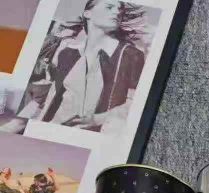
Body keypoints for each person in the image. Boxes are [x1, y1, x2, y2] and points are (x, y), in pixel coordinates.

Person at [20, 0, 146, 133]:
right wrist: (22, 122)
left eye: (120, 9)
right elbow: (51, 96)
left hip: (91, 134)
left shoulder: (130, 55)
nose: (117, 12)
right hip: (53, 128)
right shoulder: (67, 53)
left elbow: (137, 103)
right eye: (109, 7)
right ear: (87, 13)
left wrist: (98, 119)